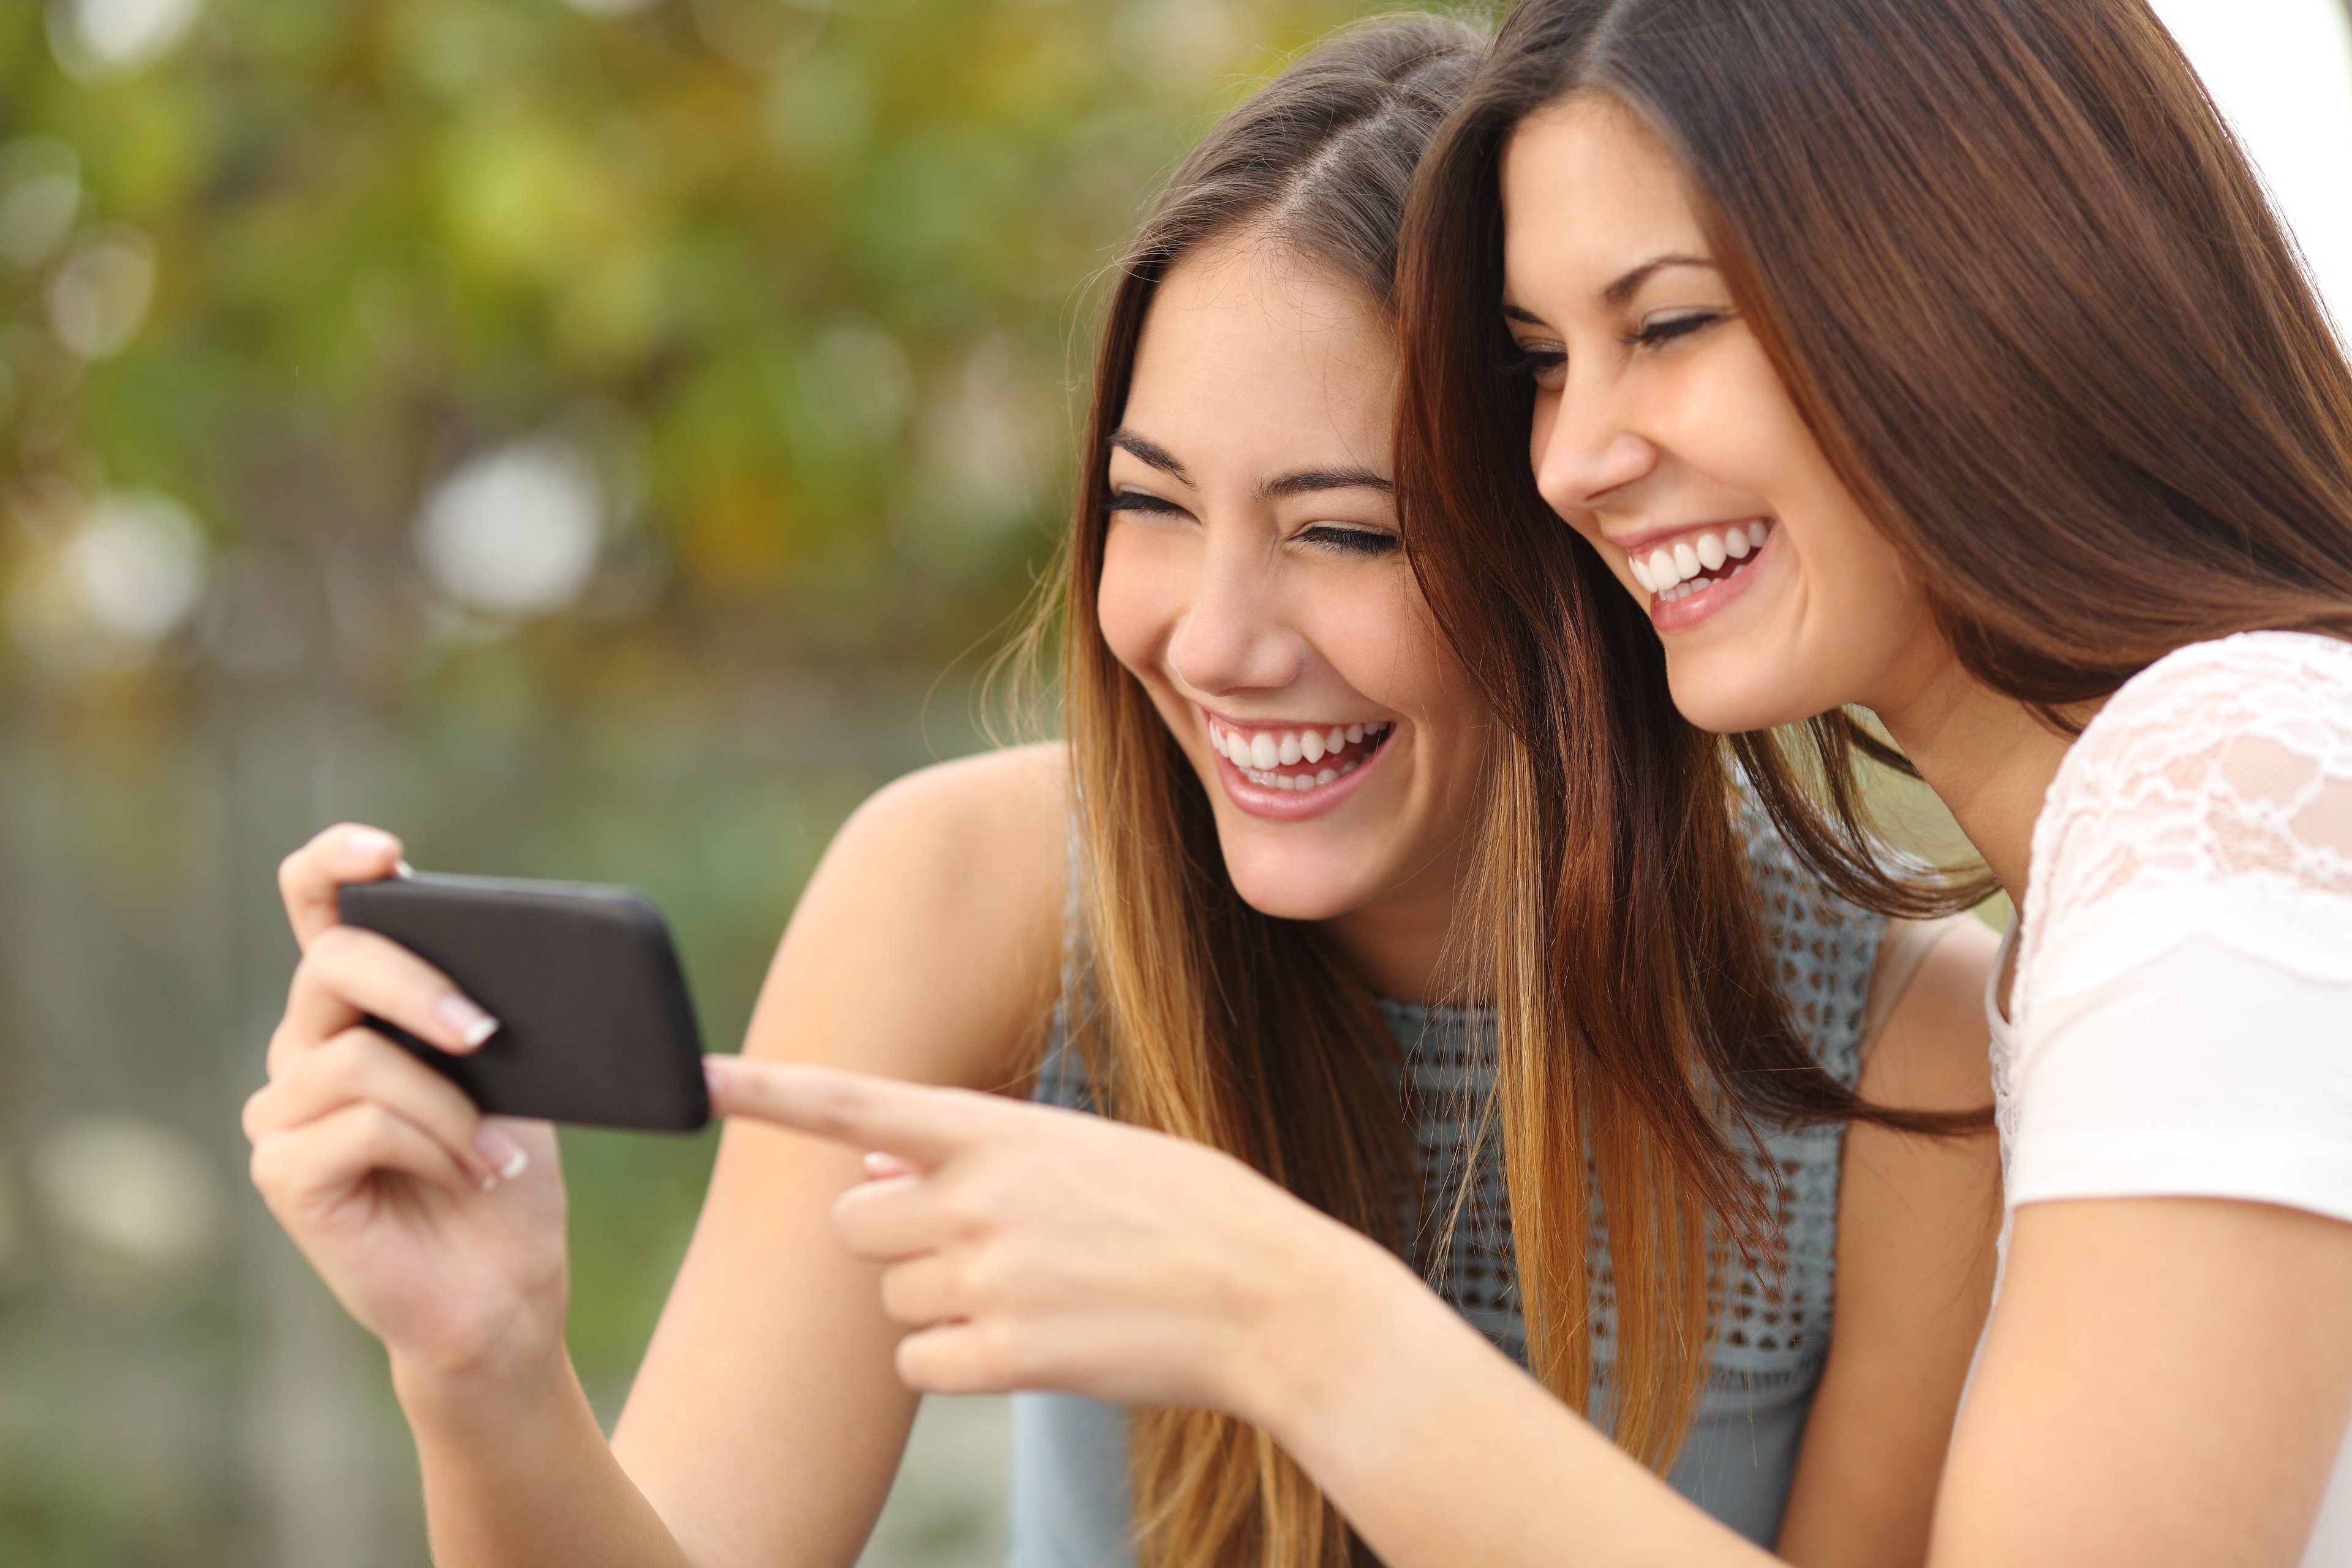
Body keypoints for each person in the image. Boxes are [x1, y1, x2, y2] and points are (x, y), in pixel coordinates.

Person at [243, 15, 2000, 1568]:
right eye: (1153, 505)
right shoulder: (977, 897)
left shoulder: (1899, 1061)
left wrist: (1300, 1322)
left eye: (1342, 532)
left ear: (1583, 547)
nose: (1215, 641)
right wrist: (481, 1371)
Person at [711, 1, 2352, 1565]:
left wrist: (1291, 1317)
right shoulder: (2150, 851)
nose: (1568, 464)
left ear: (1972, 278)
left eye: (1669, 324)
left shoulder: (2226, 770)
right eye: (1546, 362)